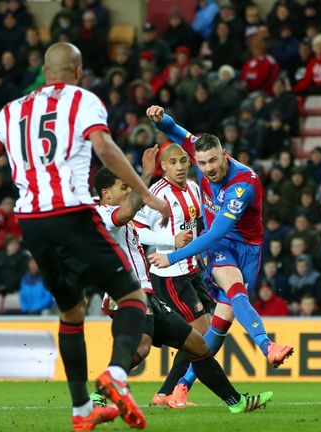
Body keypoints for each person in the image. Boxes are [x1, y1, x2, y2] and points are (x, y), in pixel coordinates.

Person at [0, 42, 171, 430]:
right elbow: (105, 148)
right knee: (131, 295)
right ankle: (117, 372)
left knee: (71, 312)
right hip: (73, 211)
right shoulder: (83, 100)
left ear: (45, 71)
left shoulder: (11, 111)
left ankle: (81, 411)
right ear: (77, 72)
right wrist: (144, 192)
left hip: (32, 222)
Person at [93, 162, 272, 412]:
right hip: (127, 294)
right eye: (124, 187)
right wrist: (144, 176)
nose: (129, 191)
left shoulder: (125, 214)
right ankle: (102, 391)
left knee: (197, 344)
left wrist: (171, 241)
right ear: (106, 194)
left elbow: (137, 227)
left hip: (148, 293)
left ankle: (237, 403)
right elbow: (123, 215)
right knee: (142, 346)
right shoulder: (100, 212)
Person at [145, 105, 293, 406]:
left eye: (213, 160)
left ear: (224, 154)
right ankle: (268, 346)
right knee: (235, 291)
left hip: (247, 248)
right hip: (221, 247)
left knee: (220, 324)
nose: (208, 168)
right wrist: (160, 120)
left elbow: (214, 231)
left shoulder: (243, 185)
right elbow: (176, 131)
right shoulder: (199, 155)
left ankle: (181, 388)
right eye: (202, 163)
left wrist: (172, 256)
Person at [131, 143, 212, 405]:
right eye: (173, 162)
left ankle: (168, 391)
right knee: (199, 334)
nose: (179, 167)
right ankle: (167, 392)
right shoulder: (156, 193)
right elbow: (135, 230)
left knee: (202, 335)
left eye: (183, 161)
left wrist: (200, 253)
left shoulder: (195, 188)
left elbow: (195, 225)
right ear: (163, 166)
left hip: (192, 270)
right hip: (169, 274)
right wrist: (170, 239)